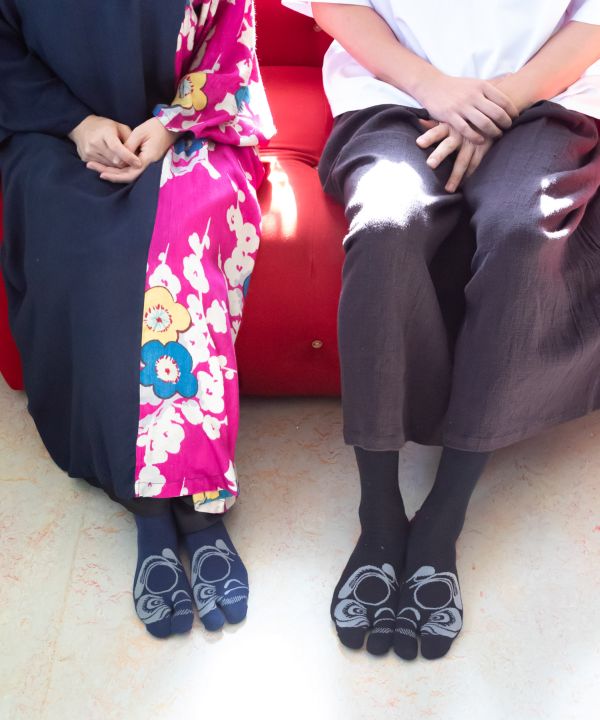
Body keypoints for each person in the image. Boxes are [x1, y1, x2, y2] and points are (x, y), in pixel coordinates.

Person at [282, 0, 600, 659]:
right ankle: (378, 516)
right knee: (386, 228)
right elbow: (335, 5)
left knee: (522, 235)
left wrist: (496, 104)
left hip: (543, 98)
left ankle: (442, 520)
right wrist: (438, 90)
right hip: (394, 93)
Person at [0, 0, 274, 638]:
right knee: (87, 248)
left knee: (181, 236)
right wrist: (76, 123)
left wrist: (172, 126)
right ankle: (149, 507)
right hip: (55, 136)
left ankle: (197, 504)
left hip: (187, 130)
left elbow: (230, 35)